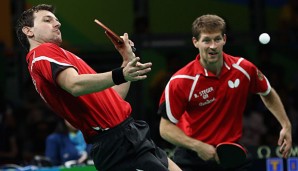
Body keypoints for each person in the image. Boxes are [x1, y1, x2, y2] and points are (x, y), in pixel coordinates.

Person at [15, 4, 181, 171]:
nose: (57, 24)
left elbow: (113, 98)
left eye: (57, 20)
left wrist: (126, 60)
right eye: (47, 20)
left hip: (129, 133)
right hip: (116, 144)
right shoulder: (41, 53)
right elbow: (74, 84)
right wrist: (121, 74)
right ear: (28, 31)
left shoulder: (59, 55)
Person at [157, 14, 292, 171]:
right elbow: (165, 128)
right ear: (196, 42)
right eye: (206, 40)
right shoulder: (181, 80)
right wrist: (198, 146)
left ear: (224, 40)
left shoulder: (243, 69)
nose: (213, 46)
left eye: (217, 39)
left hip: (231, 155)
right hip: (193, 157)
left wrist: (285, 125)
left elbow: (267, 93)